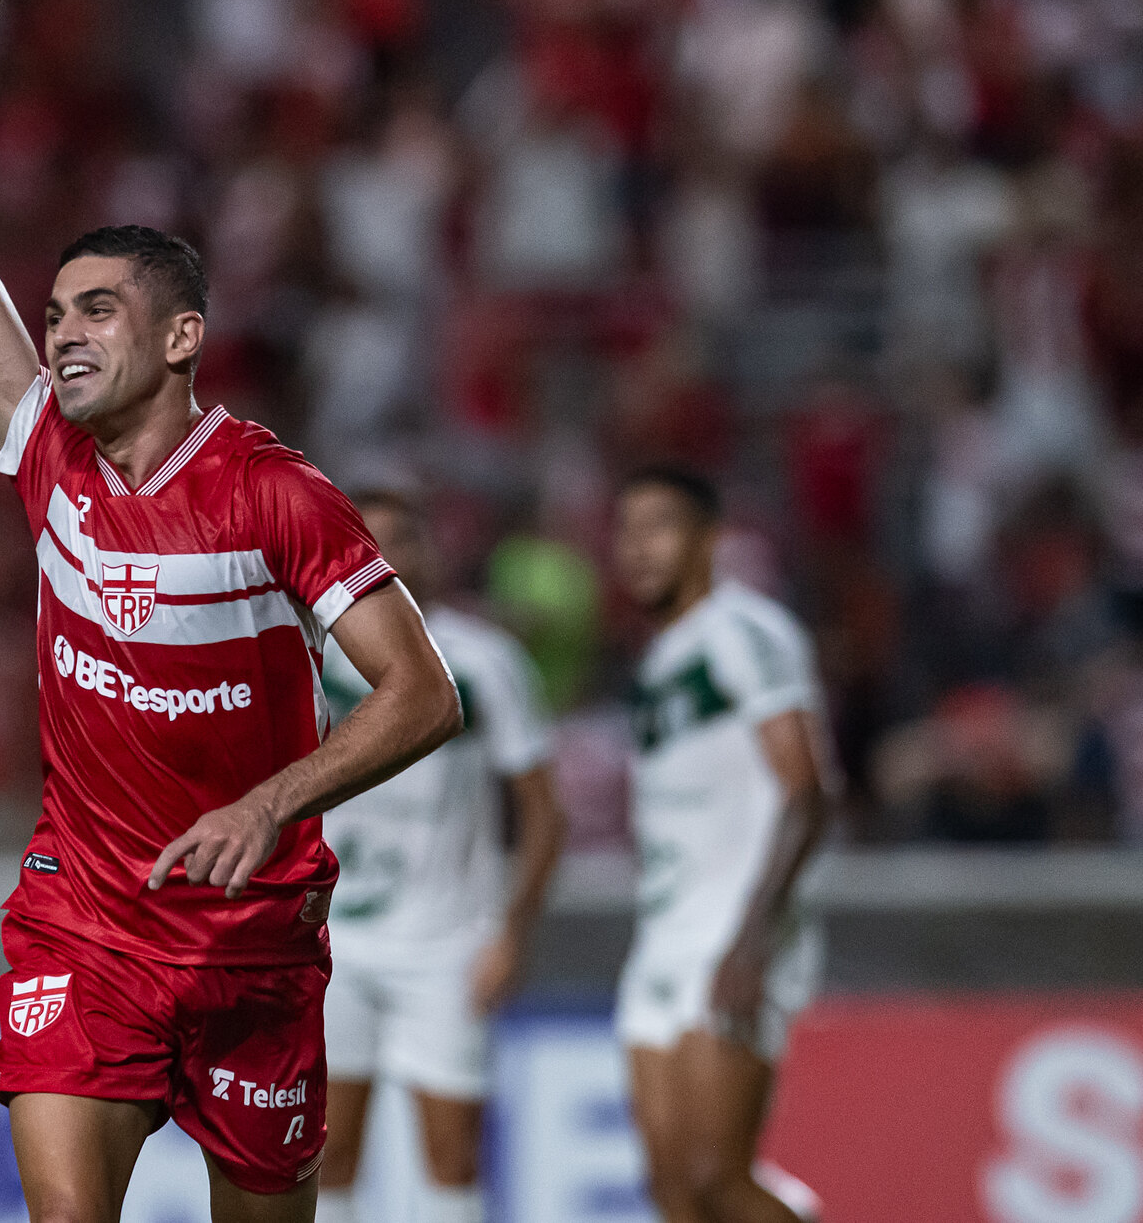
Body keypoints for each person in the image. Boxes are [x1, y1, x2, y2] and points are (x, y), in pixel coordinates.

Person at [0, 0, 461, 1223]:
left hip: (255, 947)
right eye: (55, 313)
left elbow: (421, 695)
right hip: (84, 927)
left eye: (98, 308)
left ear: (183, 337)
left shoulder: (277, 494)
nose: (64, 332)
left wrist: (272, 801)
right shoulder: (45, 450)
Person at [314, 491, 566, 1223]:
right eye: (372, 537)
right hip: (336, 942)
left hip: (447, 943)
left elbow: (544, 810)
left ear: (431, 551)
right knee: (329, 1154)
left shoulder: (484, 660)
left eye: (405, 537)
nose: (389, 553)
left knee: (452, 1160)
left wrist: (511, 932)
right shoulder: (311, 646)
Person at [611, 465, 829, 1223]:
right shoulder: (660, 660)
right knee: (675, 1191)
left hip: (732, 932)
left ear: (709, 539)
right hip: (664, 938)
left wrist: (751, 938)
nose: (638, 548)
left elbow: (807, 791)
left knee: (717, 1177)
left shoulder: (744, 631)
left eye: (660, 526)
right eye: (627, 530)